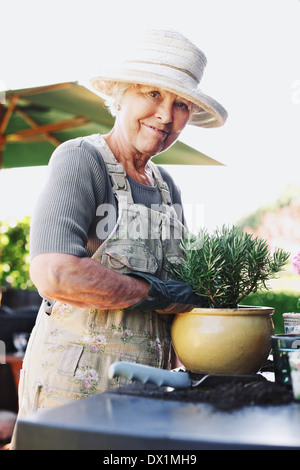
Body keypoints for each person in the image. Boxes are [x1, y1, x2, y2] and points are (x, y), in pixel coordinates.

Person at [11, 28, 227, 448]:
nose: (166, 115)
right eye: (152, 94)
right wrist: (157, 292)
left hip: (149, 391)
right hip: (74, 390)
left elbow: (185, 294)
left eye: (180, 103)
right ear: (122, 95)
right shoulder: (81, 159)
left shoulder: (167, 186)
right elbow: (55, 273)